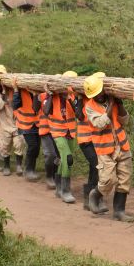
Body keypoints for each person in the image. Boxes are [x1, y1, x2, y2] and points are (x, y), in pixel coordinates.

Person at [83, 75, 133, 220]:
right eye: (95, 94)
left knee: (125, 179)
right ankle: (95, 193)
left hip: (122, 146)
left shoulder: (113, 102)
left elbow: (125, 120)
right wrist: (111, 105)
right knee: (108, 180)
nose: (98, 96)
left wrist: (119, 104)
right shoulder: (89, 107)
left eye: (99, 92)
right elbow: (100, 123)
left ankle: (119, 212)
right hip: (105, 150)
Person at [43, 71, 79, 203]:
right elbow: (46, 111)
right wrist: (51, 95)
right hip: (58, 133)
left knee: (65, 160)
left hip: (70, 132)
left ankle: (59, 187)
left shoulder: (73, 96)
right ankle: (65, 191)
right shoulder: (52, 97)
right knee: (68, 158)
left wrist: (71, 97)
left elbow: (78, 113)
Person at [73, 72, 104, 211]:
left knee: (94, 167)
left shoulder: (100, 99)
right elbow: (79, 116)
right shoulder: (83, 99)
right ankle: (91, 197)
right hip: (85, 140)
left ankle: (90, 198)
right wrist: (79, 98)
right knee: (97, 165)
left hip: (96, 139)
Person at [0, 68, 25, 176]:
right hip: (3, 124)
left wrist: (13, 89)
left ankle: (19, 166)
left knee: (19, 144)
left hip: (16, 122)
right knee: (4, 147)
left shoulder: (13, 88)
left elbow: (17, 103)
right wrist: (2, 95)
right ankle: (6, 166)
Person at [14, 83, 41, 181]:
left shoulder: (39, 91)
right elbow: (15, 105)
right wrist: (16, 91)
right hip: (25, 123)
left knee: (36, 148)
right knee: (32, 145)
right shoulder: (21, 90)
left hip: (37, 123)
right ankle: (28, 170)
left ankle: (31, 169)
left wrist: (35, 94)